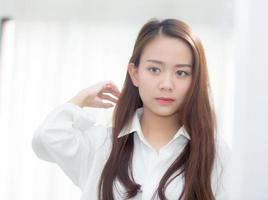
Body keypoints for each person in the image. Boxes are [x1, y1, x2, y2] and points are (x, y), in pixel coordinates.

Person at [32, 18, 231, 200]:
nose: (167, 84)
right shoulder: (102, 145)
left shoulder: (216, 154)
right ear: (134, 74)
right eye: (155, 69)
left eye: (181, 73)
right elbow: (46, 138)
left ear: (194, 80)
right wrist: (80, 99)